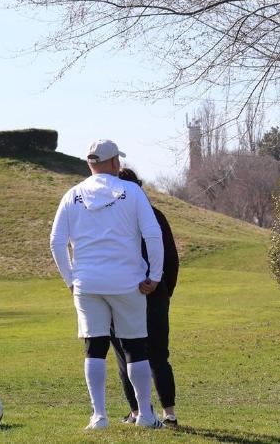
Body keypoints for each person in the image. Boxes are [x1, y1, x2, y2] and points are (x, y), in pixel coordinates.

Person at [49, 139, 165, 430]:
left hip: (87, 283)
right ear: (114, 162)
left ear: (90, 164)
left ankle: (99, 416)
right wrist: (155, 275)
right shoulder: (133, 192)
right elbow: (153, 235)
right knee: (135, 346)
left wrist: (70, 279)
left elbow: (56, 242)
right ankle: (146, 415)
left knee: (94, 347)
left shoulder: (72, 195)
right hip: (128, 282)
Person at [111, 168, 179, 427]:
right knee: (159, 355)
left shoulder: (112, 219)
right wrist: (163, 290)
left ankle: (138, 411)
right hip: (155, 294)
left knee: (125, 354)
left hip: (121, 294)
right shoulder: (156, 215)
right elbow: (171, 260)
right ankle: (169, 413)